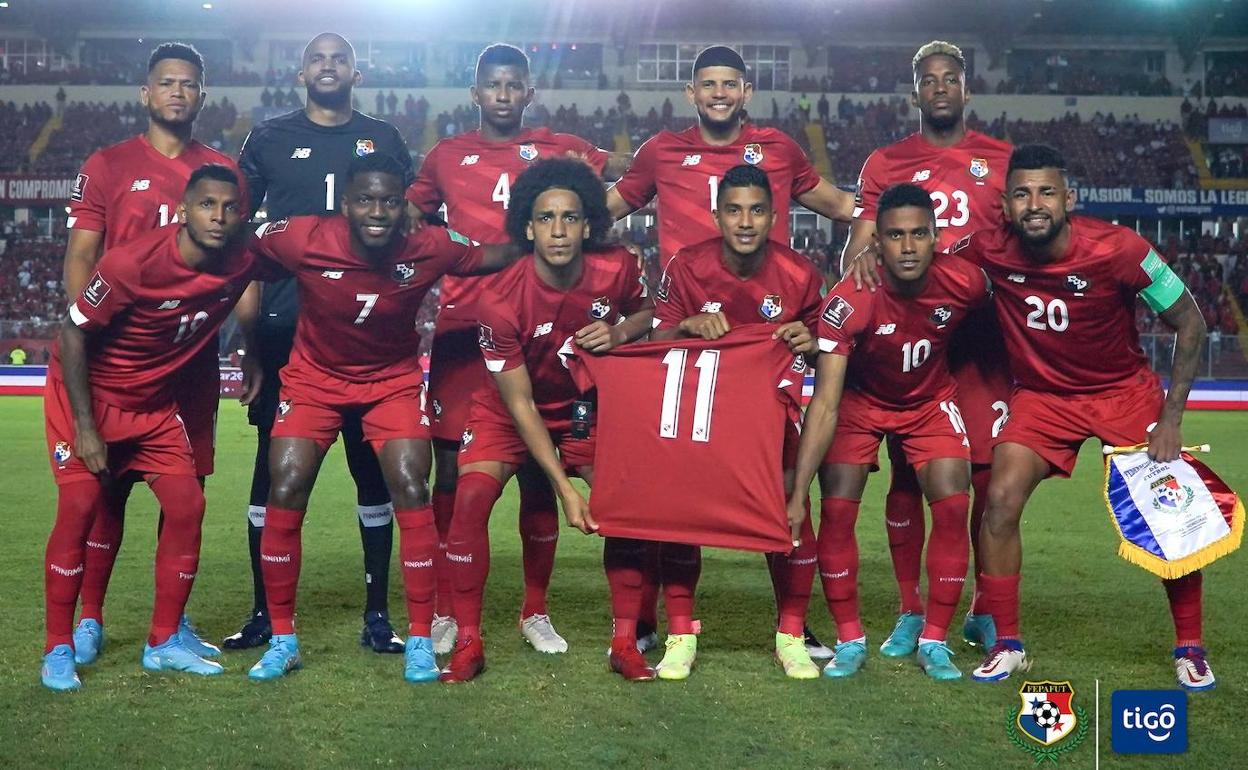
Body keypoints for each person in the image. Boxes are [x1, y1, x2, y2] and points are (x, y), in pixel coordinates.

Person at [608, 44, 854, 658]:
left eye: (730, 83)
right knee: (675, 497)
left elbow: (847, 208)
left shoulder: (782, 154)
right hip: (689, 352)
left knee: (783, 492)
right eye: (708, 83)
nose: (719, 93)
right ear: (691, 93)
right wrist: (554, 227)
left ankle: (794, 623)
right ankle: (662, 621)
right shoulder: (660, 152)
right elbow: (600, 212)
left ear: (746, 92)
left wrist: (870, 256)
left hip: (765, 367)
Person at [243, 153, 520, 683]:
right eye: (366, 200)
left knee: (411, 486)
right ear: (345, 204)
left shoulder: (430, 244)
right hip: (313, 379)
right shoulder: (302, 236)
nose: (377, 212)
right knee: (287, 483)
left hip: (391, 382)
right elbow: (237, 252)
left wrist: (547, 239)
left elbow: (493, 255)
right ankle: (282, 640)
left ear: (404, 204)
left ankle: (419, 641)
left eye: (390, 201)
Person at [954, 145, 1214, 691]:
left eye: (1046, 192)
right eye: (1022, 194)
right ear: (1006, 205)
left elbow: (1191, 322)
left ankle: (1190, 647)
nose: (1034, 204)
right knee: (999, 501)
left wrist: (1171, 419)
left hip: (1123, 394)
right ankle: (1007, 644)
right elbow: (924, 258)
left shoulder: (1120, 248)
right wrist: (868, 255)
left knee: (1170, 512)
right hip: (1043, 398)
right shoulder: (985, 248)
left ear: (1069, 198)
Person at [405, 44, 611, 656]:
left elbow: (627, 175)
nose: (502, 94)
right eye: (492, 85)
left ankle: (535, 610)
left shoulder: (557, 148)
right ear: (476, 93)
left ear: (528, 93)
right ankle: (447, 608)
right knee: (451, 474)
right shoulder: (445, 156)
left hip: (536, 329)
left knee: (537, 477)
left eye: (513, 85)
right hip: (462, 335)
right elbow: (407, 217)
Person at [42, 165, 265, 691]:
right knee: (80, 508)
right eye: (206, 205)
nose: (218, 216)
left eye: (229, 207)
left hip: (154, 405)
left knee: (187, 506)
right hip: (90, 399)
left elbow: (312, 249)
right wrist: (86, 428)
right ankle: (58, 647)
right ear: (182, 211)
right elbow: (72, 335)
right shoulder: (131, 264)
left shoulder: (244, 258)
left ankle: (163, 642)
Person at [230, 32, 415, 652]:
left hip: (369, 336)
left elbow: (413, 224)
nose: (328, 67)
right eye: (317, 59)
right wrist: (250, 342)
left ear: (357, 73)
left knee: (374, 473)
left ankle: (378, 617)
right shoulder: (268, 138)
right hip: (287, 333)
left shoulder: (384, 138)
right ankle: (264, 613)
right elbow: (242, 240)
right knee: (272, 472)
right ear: (300, 72)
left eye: (339, 59)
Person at [61, 41, 243, 667]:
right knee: (105, 489)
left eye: (188, 83)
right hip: (121, 358)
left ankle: (172, 621)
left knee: (185, 492)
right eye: (166, 82)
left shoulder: (221, 172)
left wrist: (247, 343)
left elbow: (238, 267)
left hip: (190, 362)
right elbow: (82, 256)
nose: (177, 92)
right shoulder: (108, 164)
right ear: (146, 93)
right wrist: (92, 334)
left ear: (202, 96)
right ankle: (90, 616)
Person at [438, 158, 655, 683]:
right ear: (528, 228)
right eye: (546, 218)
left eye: (570, 218)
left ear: (588, 225)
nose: (558, 230)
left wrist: (621, 333)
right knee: (470, 499)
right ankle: (467, 641)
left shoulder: (618, 268)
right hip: (509, 411)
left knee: (625, 505)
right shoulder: (498, 300)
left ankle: (623, 642)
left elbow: (649, 313)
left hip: (584, 407)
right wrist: (565, 488)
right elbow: (520, 406)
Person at [839, 41, 1014, 656]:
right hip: (914, 335)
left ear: (967, 89)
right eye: (929, 79)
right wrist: (863, 262)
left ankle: (983, 607)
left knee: (985, 478)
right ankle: (910, 610)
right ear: (914, 92)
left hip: (984, 340)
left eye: (951, 78)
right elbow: (857, 248)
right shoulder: (887, 162)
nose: (940, 88)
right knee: (909, 474)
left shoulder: (1003, 160)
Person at [787, 183, 989, 681]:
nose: (908, 246)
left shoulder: (966, 283)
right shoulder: (850, 299)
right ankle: (849, 639)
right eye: (895, 235)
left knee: (953, 502)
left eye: (919, 233)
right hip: (860, 403)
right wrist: (796, 494)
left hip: (929, 401)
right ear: (877, 241)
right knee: (837, 508)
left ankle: (934, 640)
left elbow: (996, 322)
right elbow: (826, 401)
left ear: (936, 236)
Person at [649, 165, 823, 680]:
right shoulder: (687, 266)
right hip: (700, 414)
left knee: (790, 513)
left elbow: (827, 344)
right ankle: (681, 634)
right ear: (716, 215)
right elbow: (655, 340)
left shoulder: (799, 274)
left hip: (770, 420)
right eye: (734, 210)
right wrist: (687, 324)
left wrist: (811, 342)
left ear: (774, 216)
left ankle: (791, 635)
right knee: (682, 516)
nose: (745, 222)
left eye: (756, 210)